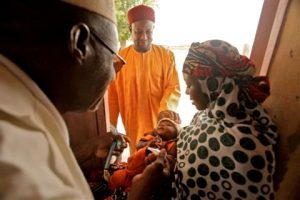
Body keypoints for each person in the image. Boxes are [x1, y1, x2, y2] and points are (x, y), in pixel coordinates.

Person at [0, 0, 129, 199]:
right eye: (113, 60)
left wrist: (79, 155)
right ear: (79, 43)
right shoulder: (19, 171)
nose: (113, 75)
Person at [127, 40, 278, 200]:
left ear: (211, 84)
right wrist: (171, 162)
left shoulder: (242, 144)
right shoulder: (206, 116)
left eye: (190, 84)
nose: (186, 91)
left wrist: (144, 187)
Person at [108, 4, 181, 154]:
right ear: (130, 31)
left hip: (159, 126)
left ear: (153, 29)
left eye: (148, 31)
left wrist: (166, 109)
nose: (143, 37)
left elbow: (173, 87)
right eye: (138, 32)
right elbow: (112, 96)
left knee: (160, 161)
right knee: (137, 160)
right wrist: (110, 127)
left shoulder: (166, 56)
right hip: (132, 125)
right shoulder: (119, 60)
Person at [108, 116, 181, 197]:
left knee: (131, 189)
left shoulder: (171, 144)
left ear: (175, 134)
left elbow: (172, 158)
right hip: (131, 168)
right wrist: (148, 144)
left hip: (144, 176)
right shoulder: (150, 137)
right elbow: (138, 145)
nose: (162, 125)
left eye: (168, 125)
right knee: (116, 178)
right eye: (160, 124)